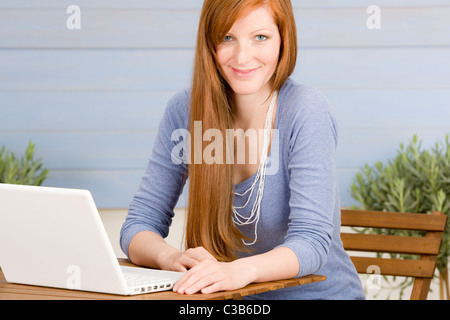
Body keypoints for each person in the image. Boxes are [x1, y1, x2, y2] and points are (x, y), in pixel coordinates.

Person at [120, 0, 365, 299]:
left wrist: (238, 270)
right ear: (209, 43)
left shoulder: (305, 110)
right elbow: (138, 225)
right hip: (229, 300)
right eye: (227, 38)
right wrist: (168, 258)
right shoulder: (184, 110)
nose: (242, 56)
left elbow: (311, 241)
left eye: (260, 37)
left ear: (283, 40)